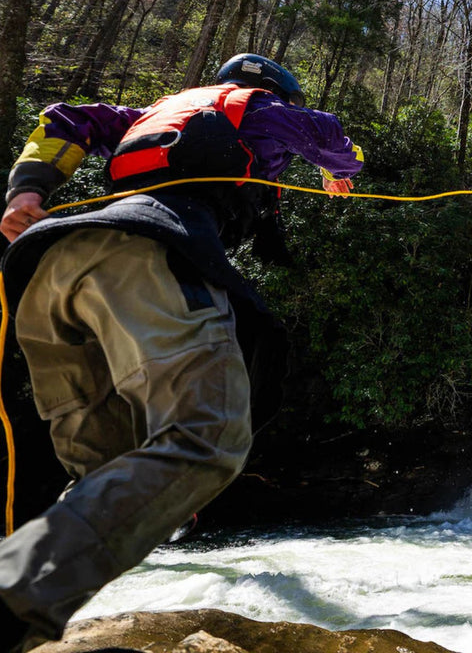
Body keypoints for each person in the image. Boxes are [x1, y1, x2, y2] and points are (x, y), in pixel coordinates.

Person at [0, 53, 364, 652]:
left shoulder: (153, 112)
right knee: (207, 440)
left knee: (109, 474)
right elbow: (331, 138)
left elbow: (63, 120)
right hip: (150, 259)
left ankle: (26, 613)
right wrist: (335, 170)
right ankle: (15, 598)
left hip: (53, 274)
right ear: (275, 90)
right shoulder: (264, 108)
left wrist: (27, 191)